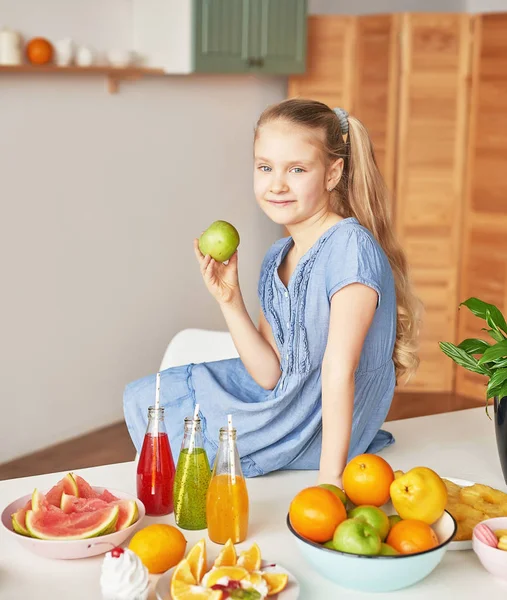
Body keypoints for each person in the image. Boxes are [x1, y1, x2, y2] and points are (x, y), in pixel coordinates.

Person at [123, 98, 420, 487]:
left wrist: (330, 484)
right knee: (151, 396)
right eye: (265, 167)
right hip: (286, 404)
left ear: (333, 173)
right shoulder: (277, 257)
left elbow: (338, 372)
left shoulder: (350, 247)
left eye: (297, 169)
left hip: (319, 427)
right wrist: (229, 300)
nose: (276, 184)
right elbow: (269, 374)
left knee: (188, 439)